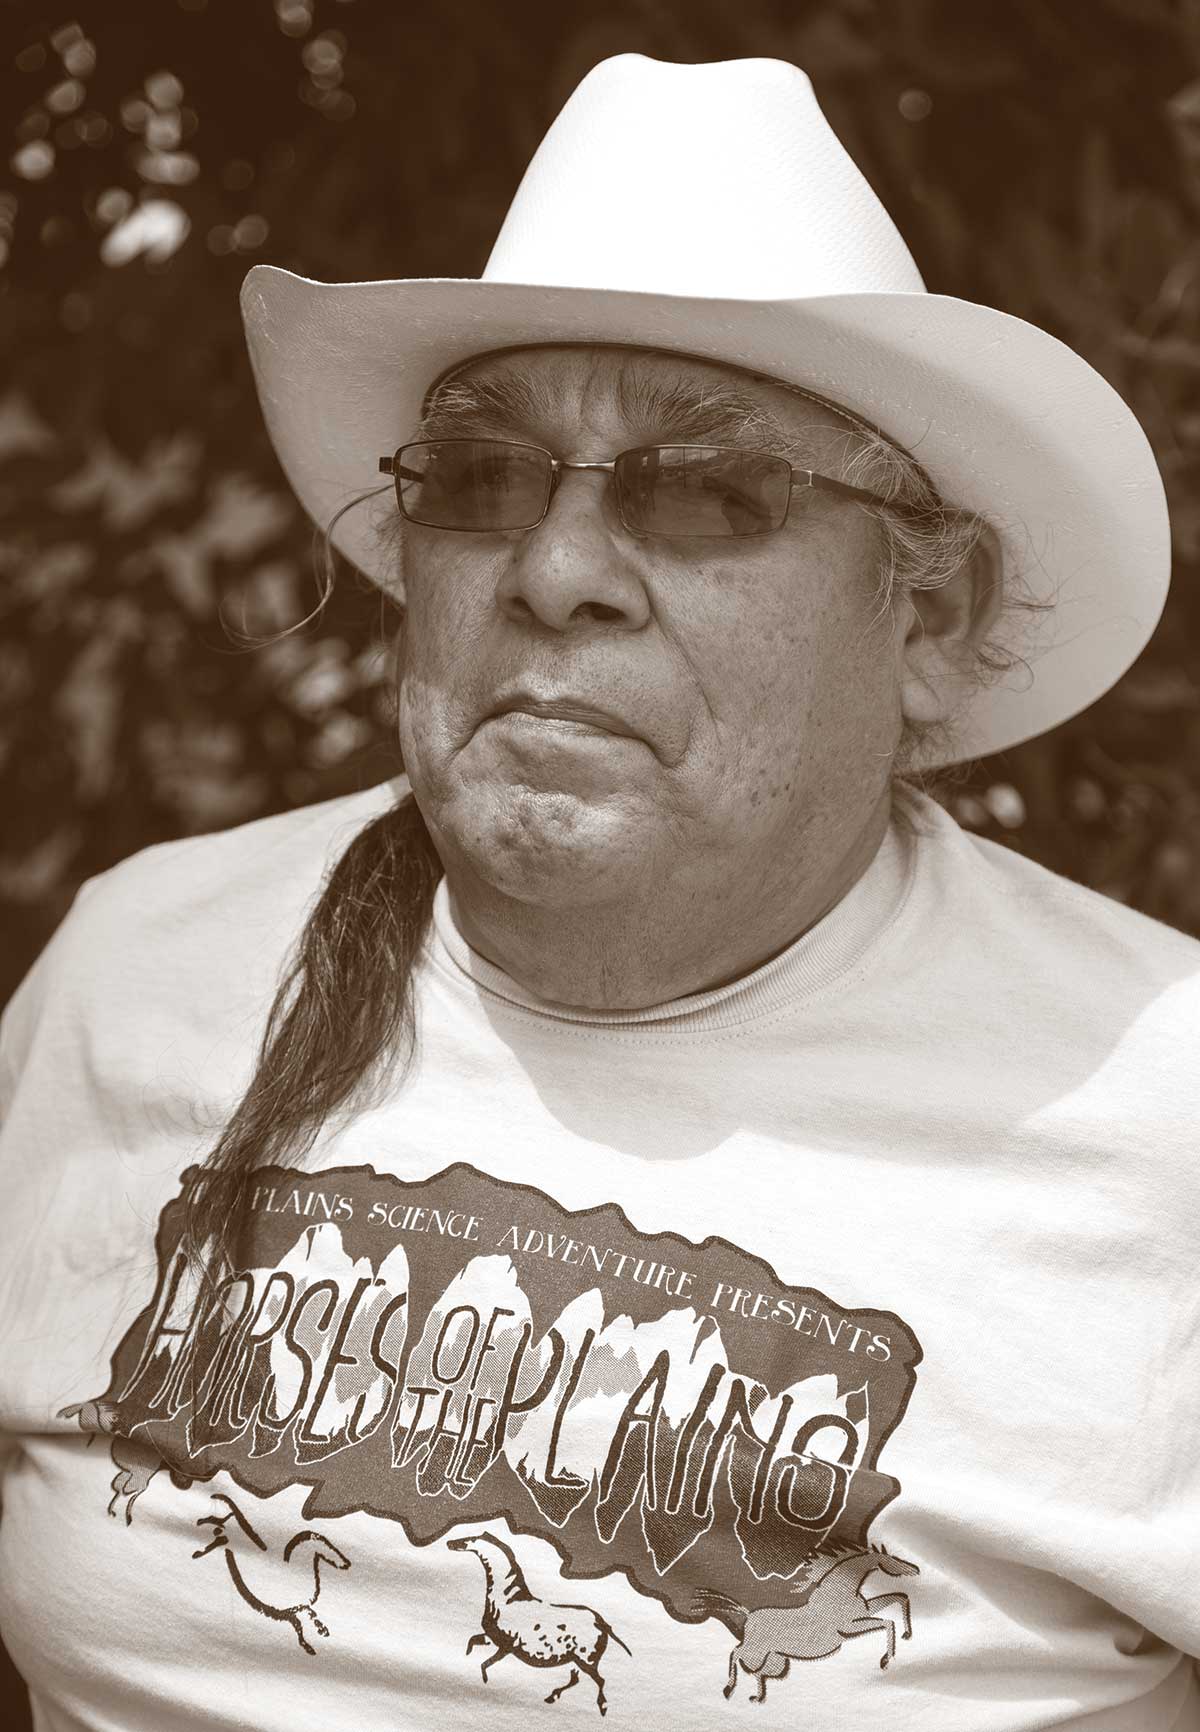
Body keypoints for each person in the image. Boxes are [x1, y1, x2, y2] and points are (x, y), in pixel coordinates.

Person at [0, 52, 1196, 1732]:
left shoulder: (1163, 1110)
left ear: (924, 618)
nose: (555, 574)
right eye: (485, 482)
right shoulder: (138, 972)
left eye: (708, 496)